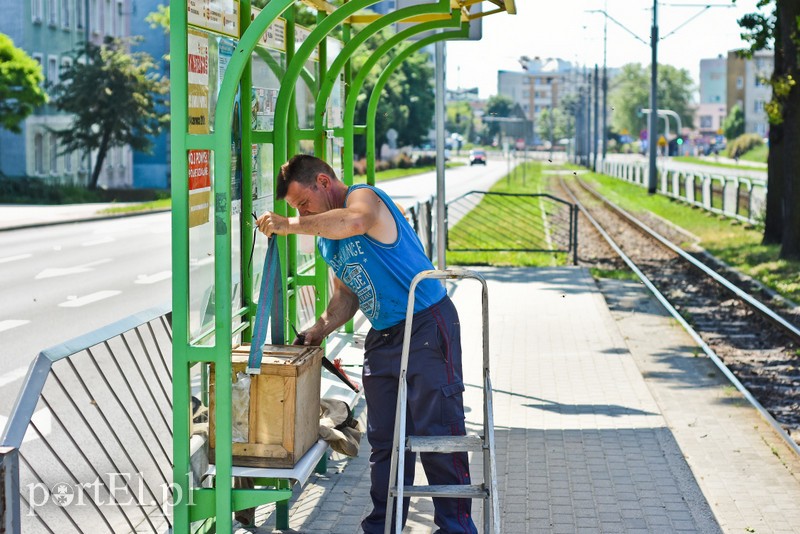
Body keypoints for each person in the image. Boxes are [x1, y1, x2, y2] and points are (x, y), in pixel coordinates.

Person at [257, 154, 477, 534]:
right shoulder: (329, 238)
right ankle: (383, 526)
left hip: (425, 323)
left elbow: (354, 221)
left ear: (324, 182)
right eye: (297, 209)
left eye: (304, 203)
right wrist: (318, 329)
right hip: (384, 335)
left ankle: (456, 528)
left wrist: (290, 224)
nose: (303, 212)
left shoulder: (365, 198)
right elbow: (345, 297)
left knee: (436, 429)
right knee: (386, 442)